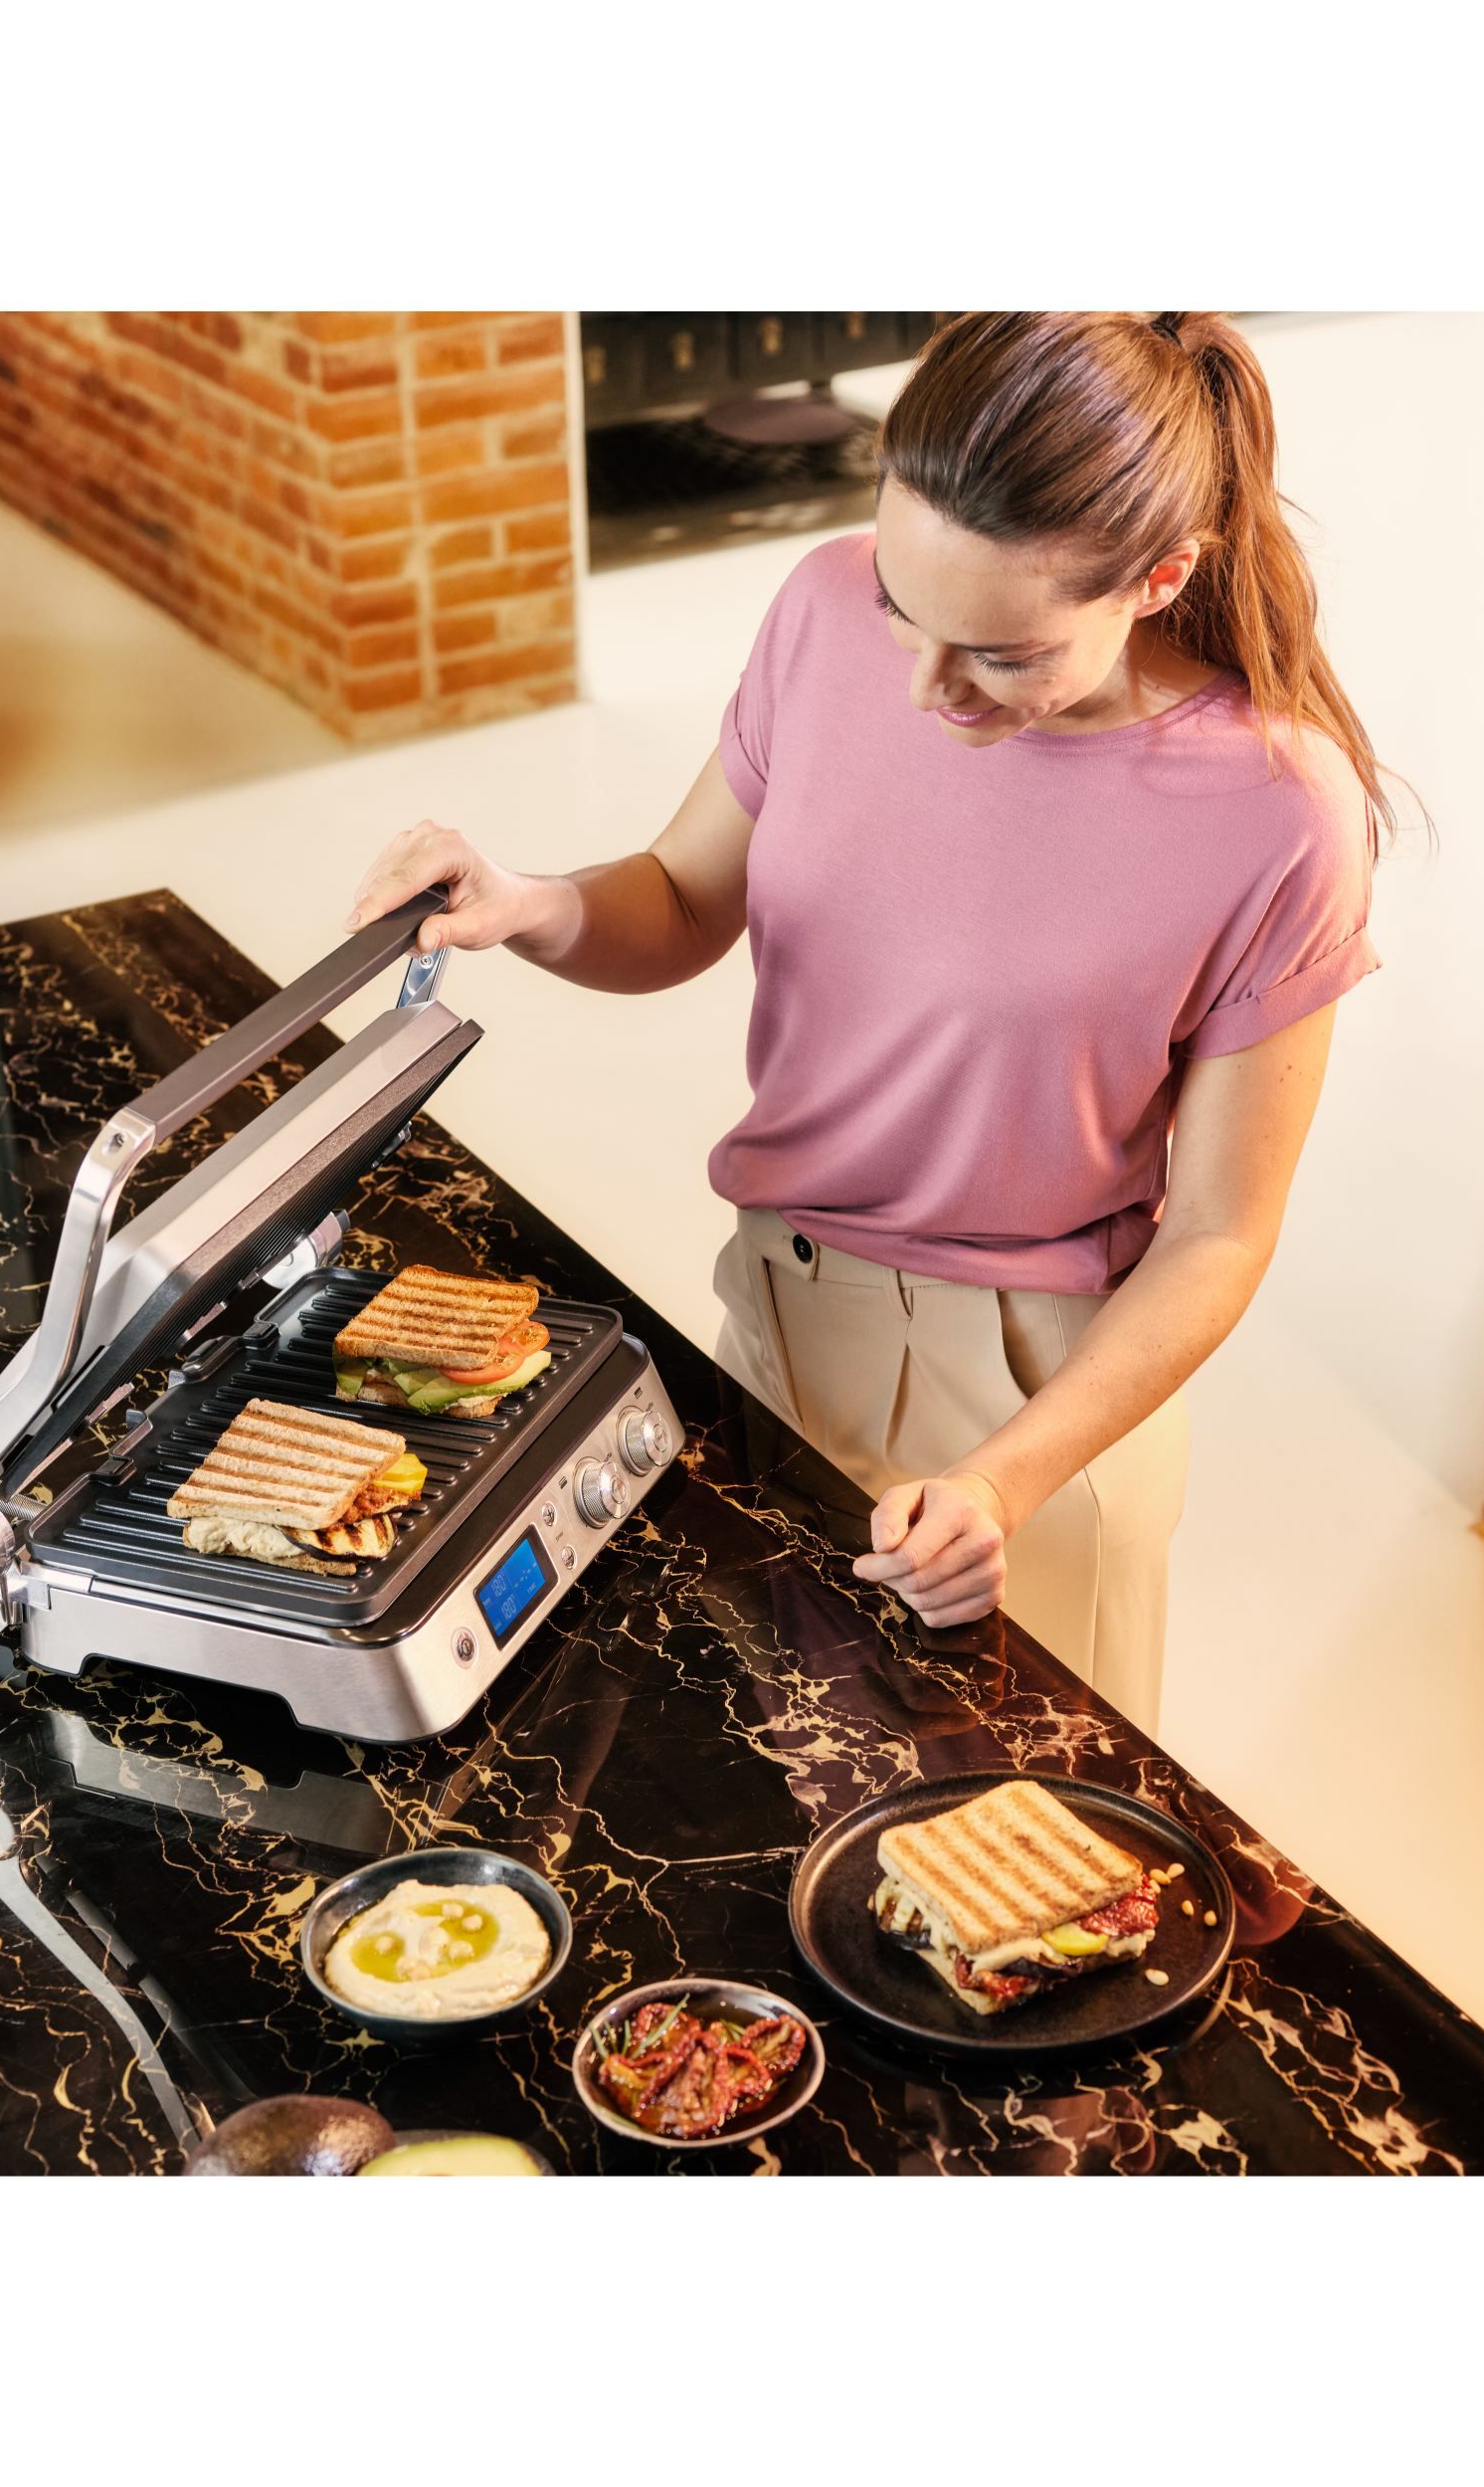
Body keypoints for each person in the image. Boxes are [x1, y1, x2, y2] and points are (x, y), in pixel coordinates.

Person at [345, 310, 1393, 1730]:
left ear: (1160, 578)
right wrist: (522, 902)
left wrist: (1003, 1482)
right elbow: (683, 897)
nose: (923, 686)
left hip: (1031, 1403)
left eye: (1002, 654)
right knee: (769, 1779)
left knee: (1017, 1831)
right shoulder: (823, 606)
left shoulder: (1281, 812)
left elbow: (1218, 1233)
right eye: (905, 607)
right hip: (774, 1315)